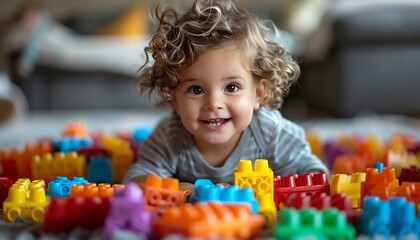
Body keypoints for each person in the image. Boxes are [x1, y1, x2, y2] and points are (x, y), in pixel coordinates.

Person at [123, 0, 329, 191]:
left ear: (258, 93)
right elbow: (136, 179)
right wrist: (179, 189)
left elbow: (317, 176)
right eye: (196, 90)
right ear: (174, 98)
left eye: (231, 87)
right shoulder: (170, 137)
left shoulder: (271, 134)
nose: (214, 104)